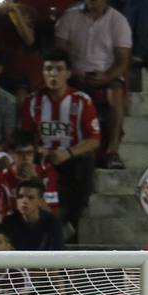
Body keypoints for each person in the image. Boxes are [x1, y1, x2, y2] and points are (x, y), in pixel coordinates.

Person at [53, 0, 130, 169]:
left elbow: (122, 62)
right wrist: (73, 72)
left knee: (114, 94)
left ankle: (112, 151)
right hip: (73, 73)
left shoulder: (118, 21)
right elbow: (59, 53)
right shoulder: (70, 17)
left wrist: (105, 77)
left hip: (104, 74)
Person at [21, 49, 100, 231]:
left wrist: (68, 153)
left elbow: (95, 139)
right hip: (42, 158)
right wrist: (39, 151)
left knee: (85, 164)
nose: (53, 74)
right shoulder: (33, 101)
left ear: (68, 73)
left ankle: (71, 223)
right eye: (48, 69)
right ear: (43, 73)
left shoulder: (82, 101)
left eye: (58, 69)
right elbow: (25, 136)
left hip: (71, 158)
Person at [1, 178, 63, 251]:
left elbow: (56, 251)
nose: (24, 201)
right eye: (20, 197)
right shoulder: (8, 222)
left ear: (40, 201)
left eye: (30, 198)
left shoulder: (52, 222)